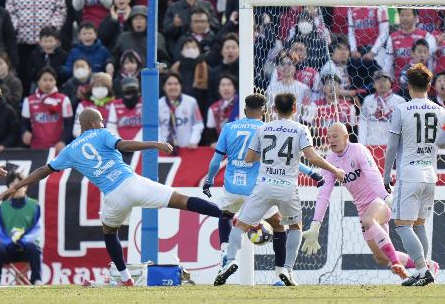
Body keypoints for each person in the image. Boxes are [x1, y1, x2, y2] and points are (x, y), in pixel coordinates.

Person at [0, 107, 227, 286]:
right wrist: (154, 144)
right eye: (99, 119)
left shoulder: (69, 149)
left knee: (109, 232)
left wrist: (11, 188)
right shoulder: (101, 133)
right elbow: (124, 145)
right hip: (133, 182)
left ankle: (125, 277)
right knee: (182, 200)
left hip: (114, 196)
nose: (103, 122)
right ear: (90, 123)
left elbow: (43, 171)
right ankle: (229, 216)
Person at [213, 93, 345, 287]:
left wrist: (268, 158)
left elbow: (249, 158)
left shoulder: (264, 128)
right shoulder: (301, 129)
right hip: (287, 188)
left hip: (264, 186)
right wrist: (335, 170)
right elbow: (313, 157)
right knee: (294, 227)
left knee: (240, 225)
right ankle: (287, 270)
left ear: (273, 109)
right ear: (294, 109)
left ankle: (230, 260)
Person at [301, 123, 435, 281]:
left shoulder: (358, 150)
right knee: (380, 257)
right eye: (328, 136)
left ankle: (396, 262)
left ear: (346, 137)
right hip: (362, 207)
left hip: (380, 199)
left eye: (335, 136)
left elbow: (373, 176)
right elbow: (324, 194)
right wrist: (316, 224)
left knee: (368, 221)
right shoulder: (330, 161)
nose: (331, 140)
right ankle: (426, 266)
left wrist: (387, 199)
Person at [383, 63, 444, 286]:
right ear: (430, 86)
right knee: (419, 225)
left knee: (402, 226)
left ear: (408, 85)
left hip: (409, 174)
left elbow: (391, 147)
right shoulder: (440, 111)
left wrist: (386, 174)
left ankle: (421, 269)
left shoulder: (401, 109)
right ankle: (423, 271)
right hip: (430, 175)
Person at [0, 172, 42, 285]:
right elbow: (1, 230)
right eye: (12, 185)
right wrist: (9, 242)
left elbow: (36, 228)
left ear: (25, 186)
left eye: (19, 184)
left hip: (27, 247)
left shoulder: (34, 205)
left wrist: (23, 241)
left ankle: (36, 280)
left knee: (33, 249)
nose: (16, 188)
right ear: (8, 188)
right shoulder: (3, 207)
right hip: (9, 247)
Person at [384, 8, 436, 93]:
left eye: (408, 15)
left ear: (416, 18)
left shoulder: (427, 36)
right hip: (399, 87)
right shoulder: (392, 37)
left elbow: (431, 64)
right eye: (402, 15)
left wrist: (429, 83)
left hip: (420, 87)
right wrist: (388, 82)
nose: (404, 18)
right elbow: (388, 64)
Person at [21, 67, 73, 151]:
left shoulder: (64, 100)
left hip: (57, 148)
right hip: (36, 148)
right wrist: (24, 133)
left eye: (51, 80)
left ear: (55, 82)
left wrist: (62, 141)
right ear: (38, 82)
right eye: (44, 80)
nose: (48, 83)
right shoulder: (29, 101)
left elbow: (69, 125)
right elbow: (24, 124)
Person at [358, 70, 406, 146]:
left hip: (391, 146)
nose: (381, 83)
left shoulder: (400, 101)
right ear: (373, 85)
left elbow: (404, 125)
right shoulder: (368, 100)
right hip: (371, 144)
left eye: (384, 80)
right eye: (377, 81)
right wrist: (361, 144)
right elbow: (363, 122)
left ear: (390, 83)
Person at [158, 72, 204, 150]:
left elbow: (198, 124)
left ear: (180, 86)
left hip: (187, 150)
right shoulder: (158, 104)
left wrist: (193, 141)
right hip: (163, 151)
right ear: (164, 87)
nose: (173, 87)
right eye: (169, 84)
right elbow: (156, 127)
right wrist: (159, 144)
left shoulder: (191, 102)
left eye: (176, 84)